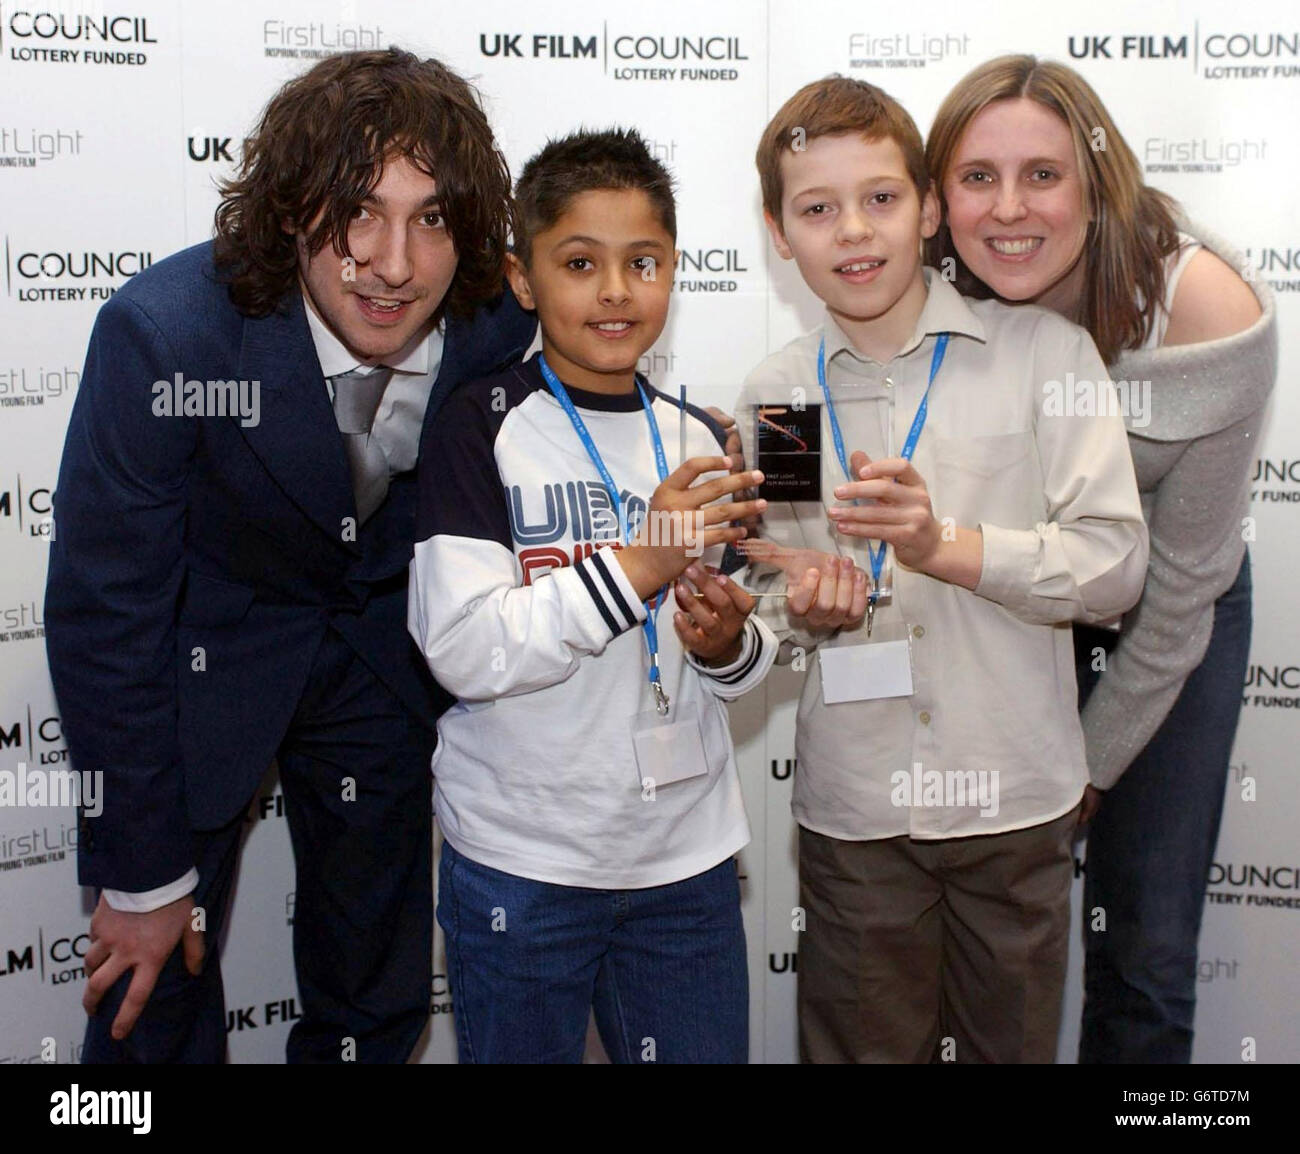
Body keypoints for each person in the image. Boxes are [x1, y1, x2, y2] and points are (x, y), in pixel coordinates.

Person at [44, 47, 535, 1063]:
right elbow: (108, 611)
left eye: (431, 216)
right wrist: (138, 877)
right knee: (149, 996)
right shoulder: (167, 336)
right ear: (286, 208)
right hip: (200, 660)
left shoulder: (497, 320)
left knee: (376, 996)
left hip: (377, 665)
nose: (393, 263)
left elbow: (593, 386)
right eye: (355, 209)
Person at [736, 76, 1148, 1063]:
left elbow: (1113, 566)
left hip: (1013, 802)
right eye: (817, 207)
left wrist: (941, 545)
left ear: (927, 208)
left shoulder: (1041, 354)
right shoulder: (784, 395)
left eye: (880, 197)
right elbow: (771, 581)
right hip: (857, 814)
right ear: (777, 231)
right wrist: (806, 601)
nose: (854, 231)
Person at [925, 55, 1276, 1063]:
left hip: (1169, 604)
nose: (1007, 210)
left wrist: (1086, 763)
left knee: (1146, 950)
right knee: (971, 931)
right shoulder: (929, 281)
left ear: (1096, 178)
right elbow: (827, 381)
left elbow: (1183, 587)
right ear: (937, 197)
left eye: (1042, 174)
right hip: (1011, 584)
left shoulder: (1206, 308)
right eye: (975, 177)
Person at [407, 127, 776, 1064]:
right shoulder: (479, 426)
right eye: (580, 262)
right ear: (523, 280)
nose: (615, 290)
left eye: (642, 262)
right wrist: (636, 569)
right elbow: (462, 648)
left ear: (673, 272)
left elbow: (745, 663)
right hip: (523, 867)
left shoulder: (702, 436)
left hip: (684, 865)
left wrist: (727, 643)